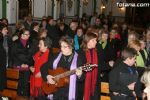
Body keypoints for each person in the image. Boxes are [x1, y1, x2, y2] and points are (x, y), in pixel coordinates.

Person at [40, 36, 85, 100]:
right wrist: (48, 76)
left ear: (71, 47)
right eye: (61, 46)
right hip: (56, 91)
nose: (61, 49)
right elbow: (43, 67)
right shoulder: (57, 56)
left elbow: (82, 79)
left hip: (70, 92)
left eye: (64, 47)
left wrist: (80, 75)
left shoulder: (78, 59)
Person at [80, 32, 100, 100]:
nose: (96, 42)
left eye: (96, 40)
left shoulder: (96, 51)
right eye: (93, 40)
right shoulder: (80, 52)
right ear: (87, 41)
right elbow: (79, 68)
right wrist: (89, 67)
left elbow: (99, 66)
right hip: (84, 83)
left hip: (94, 83)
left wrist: (109, 64)